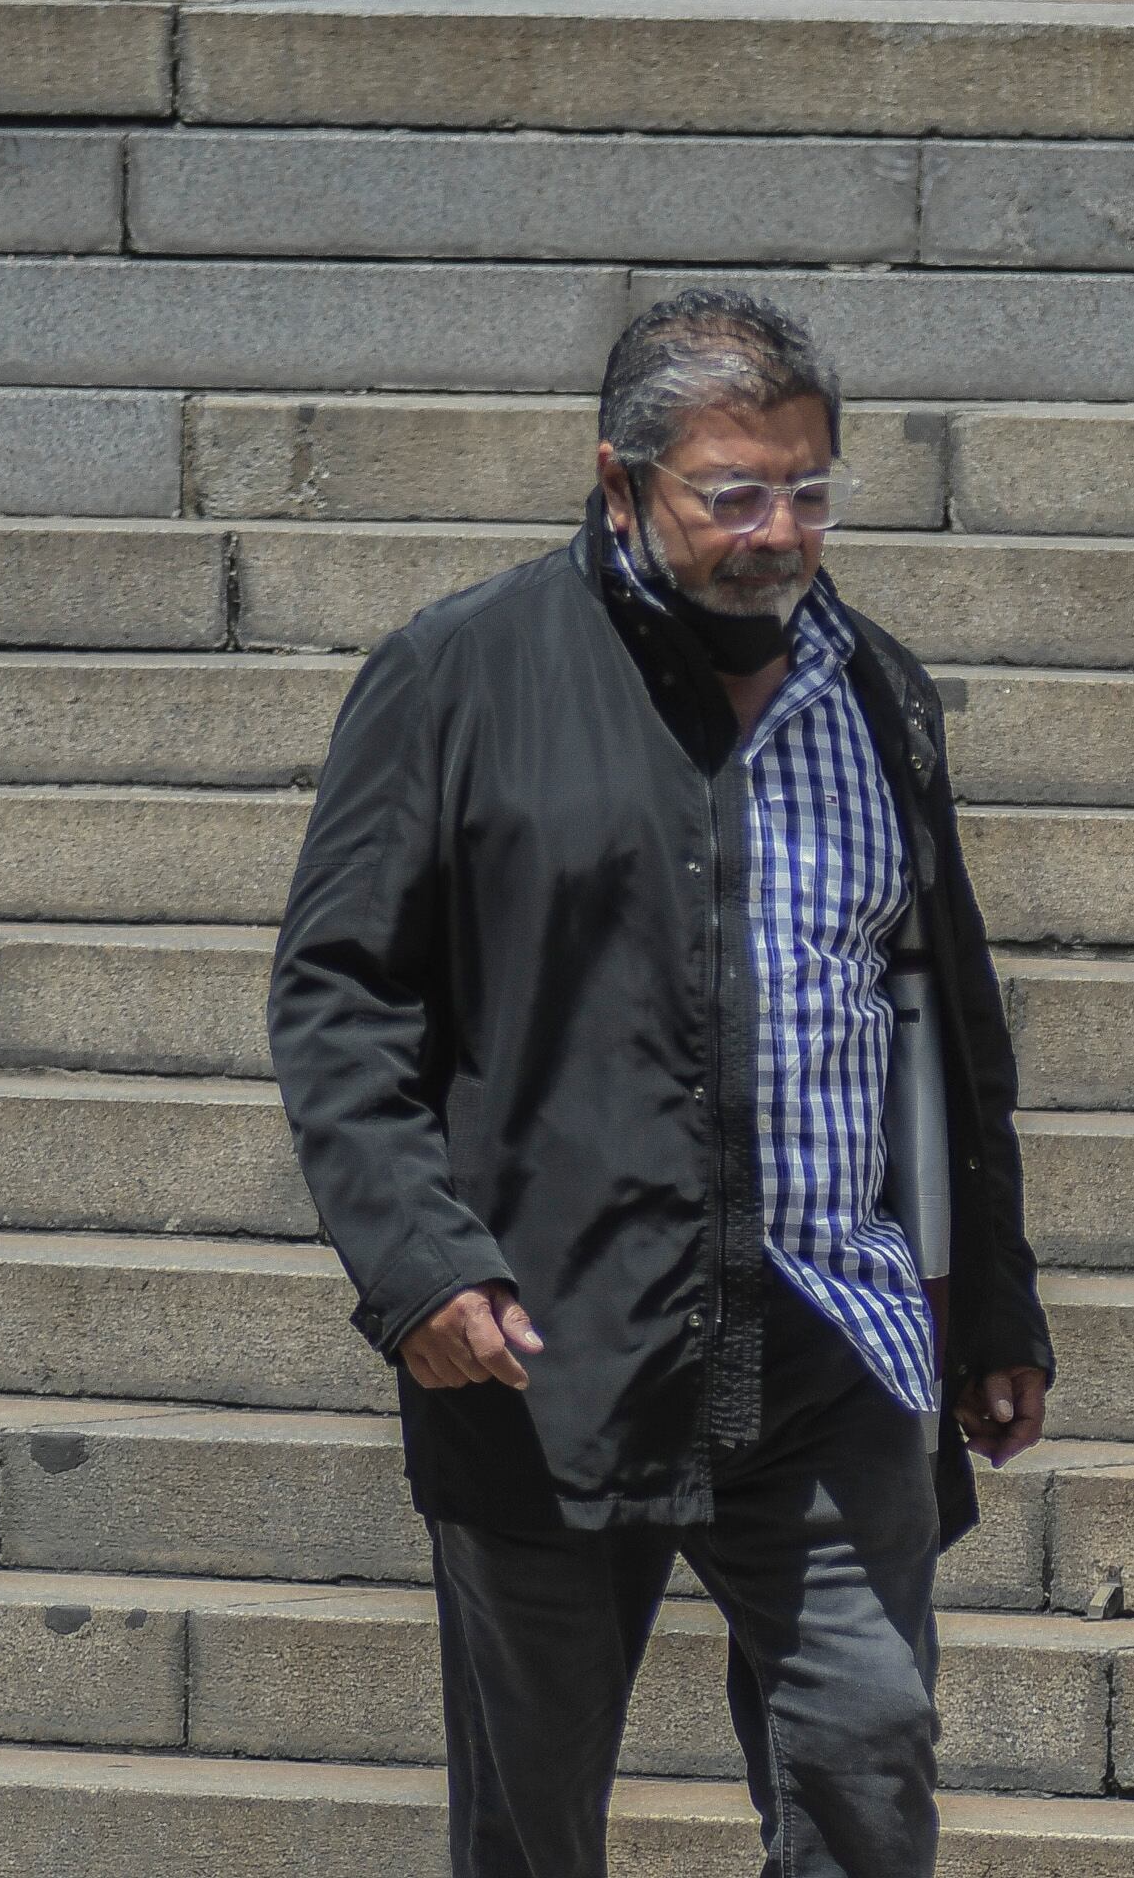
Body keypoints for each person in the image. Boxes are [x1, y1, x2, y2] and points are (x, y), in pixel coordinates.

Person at [269, 288, 1053, 1878]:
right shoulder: (458, 676)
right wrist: (417, 1266)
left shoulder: (876, 689)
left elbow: (948, 1019)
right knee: (534, 1821)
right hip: (549, 1353)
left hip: (834, 1338)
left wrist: (996, 1304)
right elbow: (338, 998)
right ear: (620, 482)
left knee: (866, 1761)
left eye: (811, 490)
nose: (781, 532)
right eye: (735, 495)